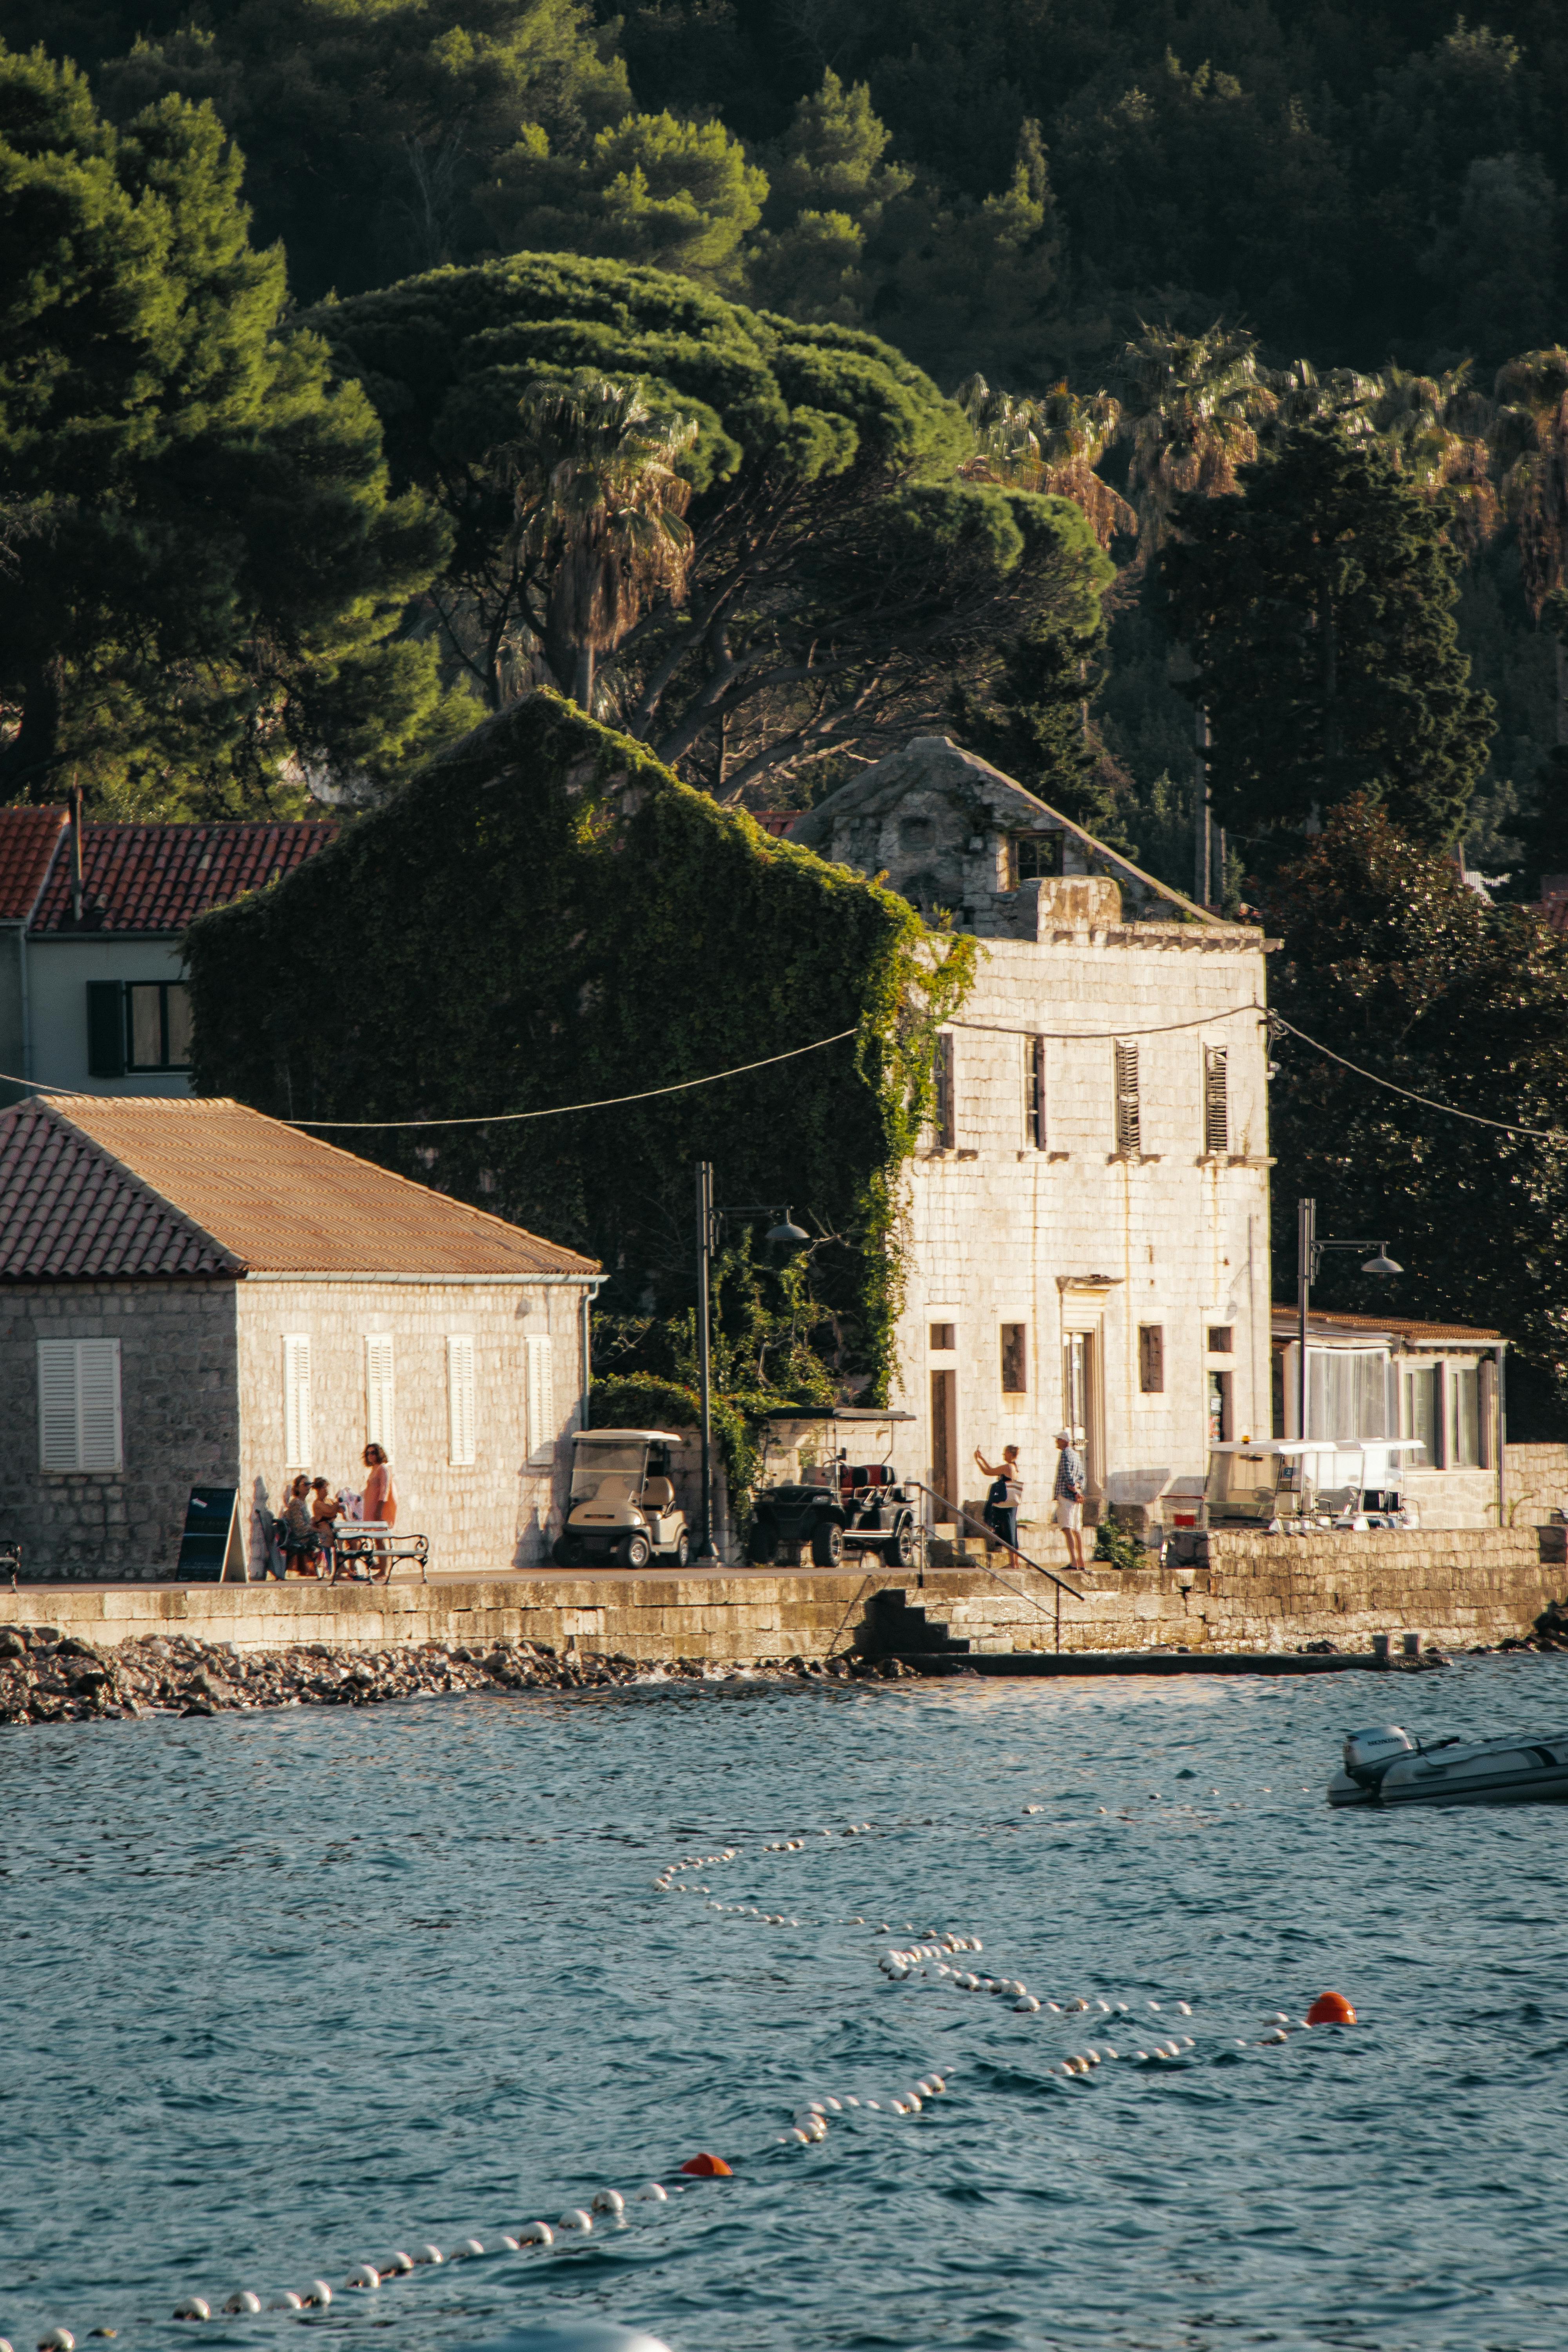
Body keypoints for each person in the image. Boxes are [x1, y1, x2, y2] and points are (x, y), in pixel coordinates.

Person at [974, 1443, 1023, 1569]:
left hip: (1005, 1504)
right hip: (1011, 1504)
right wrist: (982, 1458)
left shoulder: (1008, 1467)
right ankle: (1015, 1563)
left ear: (1011, 1454)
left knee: (1008, 1531)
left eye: (1006, 1452)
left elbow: (988, 1471)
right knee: (1011, 1529)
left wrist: (978, 1461)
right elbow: (992, 1469)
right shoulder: (1015, 1467)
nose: (1003, 1454)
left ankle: (1013, 1563)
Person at [361, 1442, 397, 1583]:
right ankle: (381, 1568)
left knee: (381, 1540)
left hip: (378, 1509)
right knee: (376, 1539)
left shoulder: (383, 1469)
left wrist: (380, 1509)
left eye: (374, 1453)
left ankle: (384, 1571)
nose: (371, 1456)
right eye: (369, 1453)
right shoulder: (375, 1469)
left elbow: (385, 1489)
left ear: (380, 1454)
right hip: (371, 1507)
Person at [1053, 1428, 1086, 1573]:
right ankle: (1081, 1560)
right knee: (1077, 1530)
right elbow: (1082, 1476)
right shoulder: (1076, 1455)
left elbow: (1068, 1475)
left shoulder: (1065, 1454)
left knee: (1068, 1528)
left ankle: (1073, 1561)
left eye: (1058, 1440)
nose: (1056, 1442)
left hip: (1067, 1496)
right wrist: (1079, 1490)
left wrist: (1074, 1490)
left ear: (1063, 1441)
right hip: (1076, 1497)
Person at [280, 1474, 319, 1577]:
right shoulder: (296, 1503)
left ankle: (335, 1569)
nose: (308, 1487)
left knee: (328, 1534)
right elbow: (300, 1526)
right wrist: (316, 1530)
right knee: (328, 1536)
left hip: (307, 1535)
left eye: (309, 1484)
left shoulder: (303, 1502)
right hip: (301, 1537)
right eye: (305, 1484)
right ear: (298, 1488)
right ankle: (337, 1570)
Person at [309, 1477, 338, 1581]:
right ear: (319, 1490)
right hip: (324, 1531)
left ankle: (345, 1569)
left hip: (333, 1529)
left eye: (327, 1488)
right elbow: (331, 1511)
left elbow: (337, 1510)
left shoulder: (330, 1501)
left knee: (353, 1542)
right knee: (337, 1542)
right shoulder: (317, 1504)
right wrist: (339, 1503)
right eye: (325, 1488)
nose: (327, 1490)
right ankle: (335, 1569)